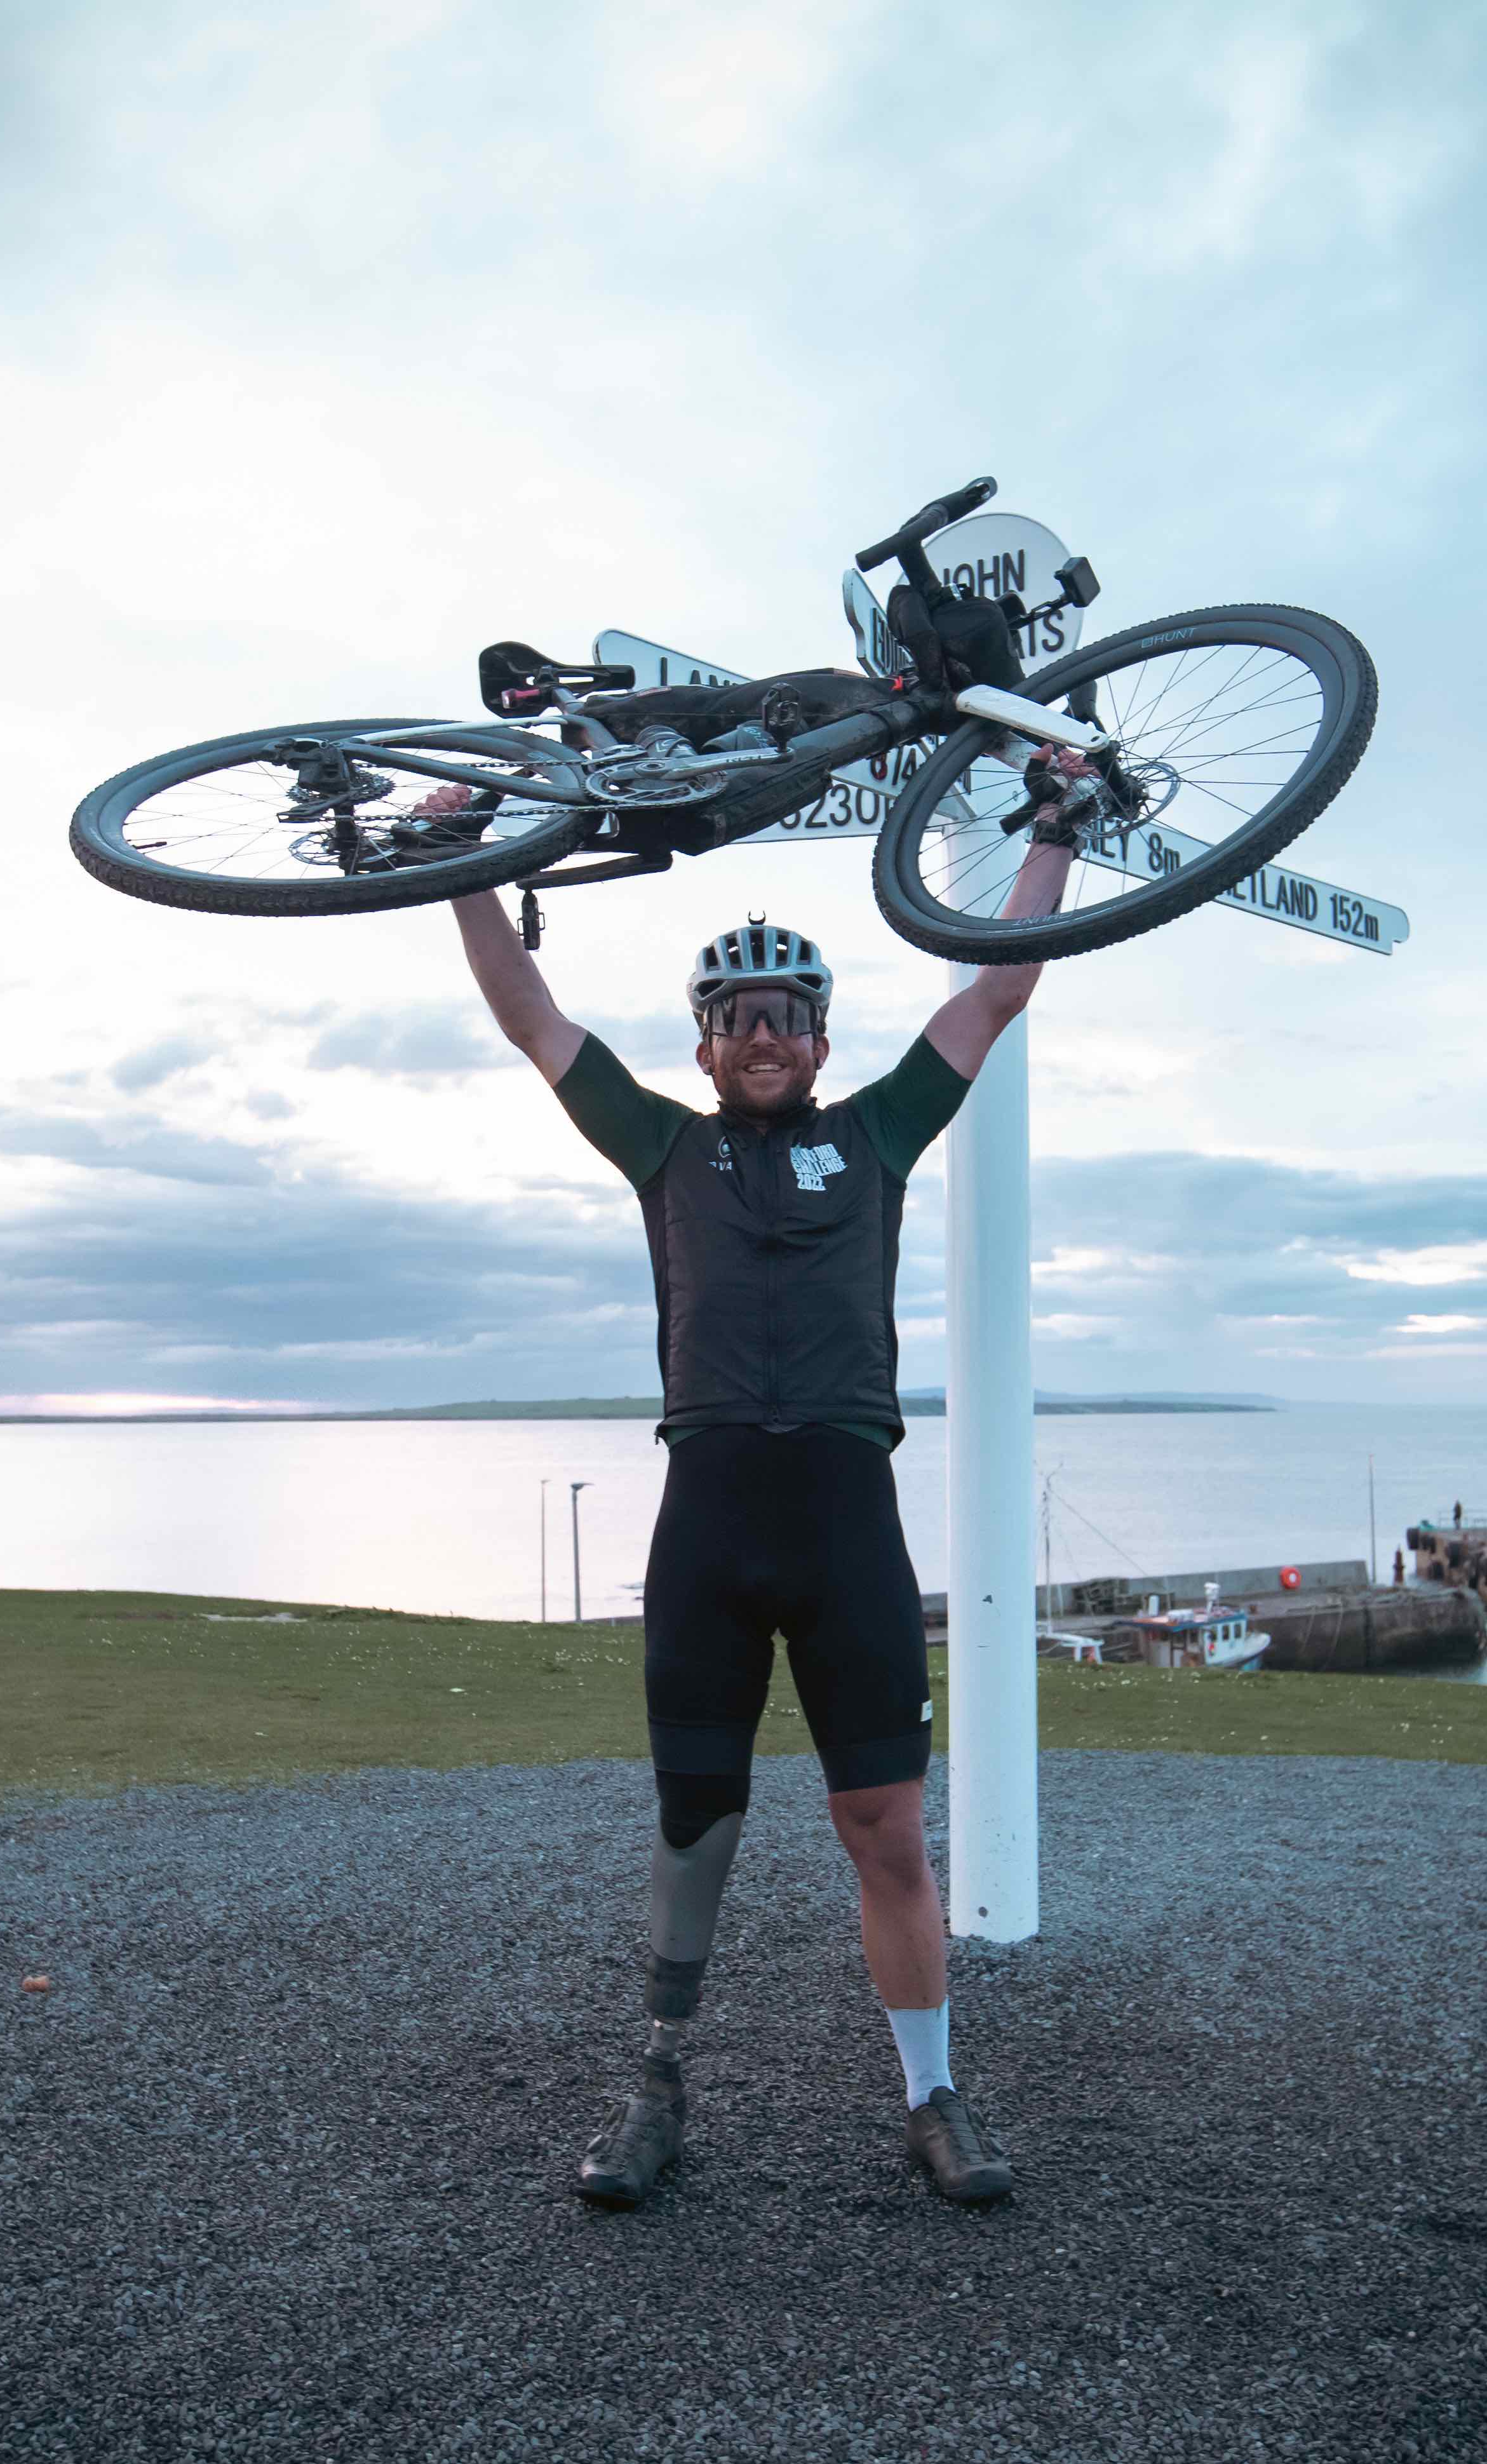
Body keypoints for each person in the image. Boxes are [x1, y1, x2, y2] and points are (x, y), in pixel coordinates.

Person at [448, 839, 1075, 2211]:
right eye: (737, 1017)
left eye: (787, 1015)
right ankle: (656, 2090)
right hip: (710, 1523)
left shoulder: (879, 1132)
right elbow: (530, 1015)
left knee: (888, 1826)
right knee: (696, 1820)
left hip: (849, 1517)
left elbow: (993, 995)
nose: (764, 1036)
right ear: (706, 1041)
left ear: (820, 1033)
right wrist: (466, 868)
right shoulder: (661, 1145)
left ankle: (933, 2096)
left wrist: (1055, 835)